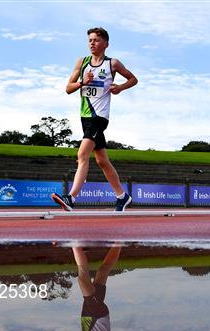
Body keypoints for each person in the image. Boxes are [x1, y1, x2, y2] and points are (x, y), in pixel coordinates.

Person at [52, 27, 138, 212]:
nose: (92, 43)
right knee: (102, 161)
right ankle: (122, 197)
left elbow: (133, 79)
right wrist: (83, 82)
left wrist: (120, 88)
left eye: (96, 40)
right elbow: (68, 88)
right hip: (85, 116)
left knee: (82, 155)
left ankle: (71, 198)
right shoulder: (81, 62)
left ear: (106, 44)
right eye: (90, 40)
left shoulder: (112, 64)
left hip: (99, 117)